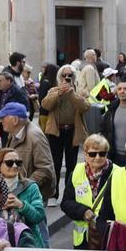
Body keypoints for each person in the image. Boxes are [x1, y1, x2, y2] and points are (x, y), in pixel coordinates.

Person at [41, 64, 90, 198]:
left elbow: (86, 106)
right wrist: (59, 93)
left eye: (70, 76)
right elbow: (45, 105)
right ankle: (53, 194)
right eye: (64, 75)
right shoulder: (53, 90)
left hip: (73, 131)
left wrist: (71, 94)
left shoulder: (79, 92)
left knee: (71, 165)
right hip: (56, 131)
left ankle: (69, 194)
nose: (67, 78)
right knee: (55, 164)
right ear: (59, 77)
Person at [61, 134, 114, 250]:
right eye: (92, 154)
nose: (97, 157)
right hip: (82, 240)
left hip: (108, 237)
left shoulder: (118, 173)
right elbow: (66, 203)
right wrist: (83, 211)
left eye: (102, 153)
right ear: (85, 154)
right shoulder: (76, 171)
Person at [0, 102, 56, 201]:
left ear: (15, 120)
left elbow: (45, 169)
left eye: (3, 117)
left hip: (30, 196)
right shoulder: (14, 134)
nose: (0, 120)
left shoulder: (34, 136)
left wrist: (24, 187)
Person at [0, 147, 49, 247]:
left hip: (29, 244)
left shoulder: (31, 187)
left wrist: (21, 205)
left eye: (18, 162)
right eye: (9, 163)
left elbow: (39, 216)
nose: (14, 166)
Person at [102, 78, 126, 166]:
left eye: (125, 89)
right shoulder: (111, 109)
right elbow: (104, 129)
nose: (122, 91)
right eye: (119, 89)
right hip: (113, 155)